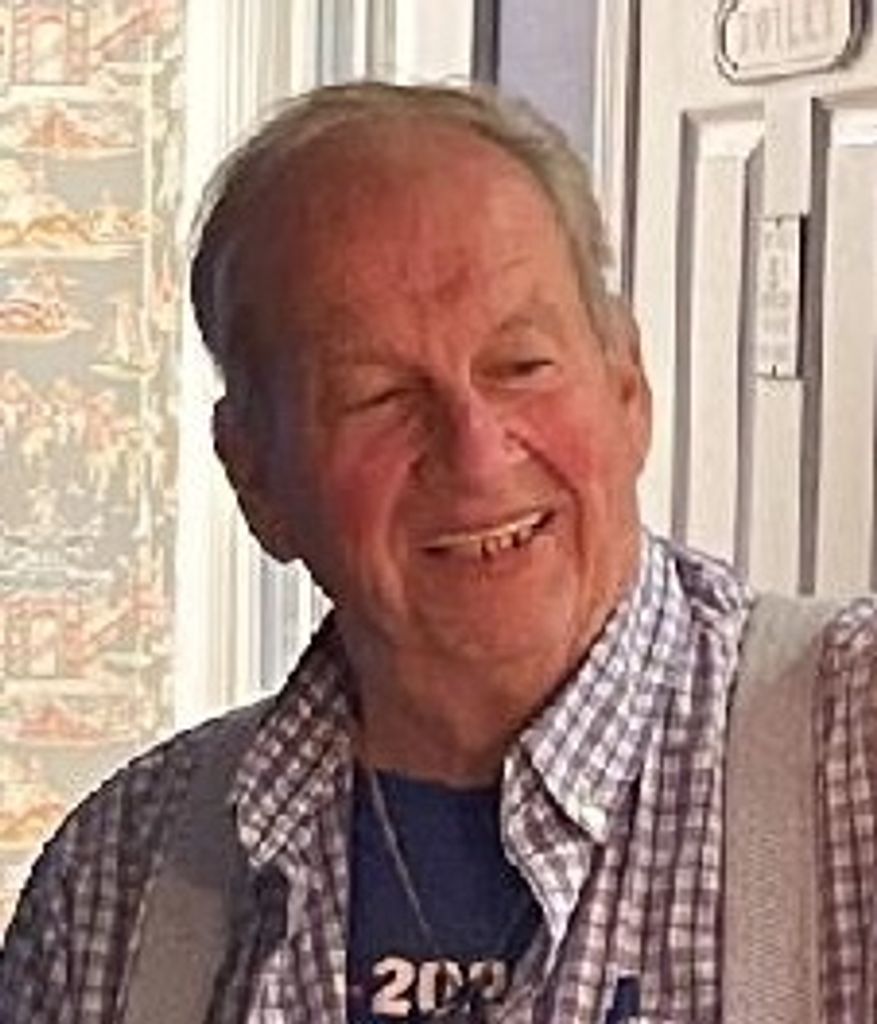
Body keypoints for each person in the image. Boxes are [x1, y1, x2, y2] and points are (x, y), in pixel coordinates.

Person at [1, 81, 875, 1024]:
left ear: (627, 387)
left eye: (521, 365)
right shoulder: (114, 888)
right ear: (254, 476)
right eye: (375, 395)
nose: (475, 451)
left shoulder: (852, 757)